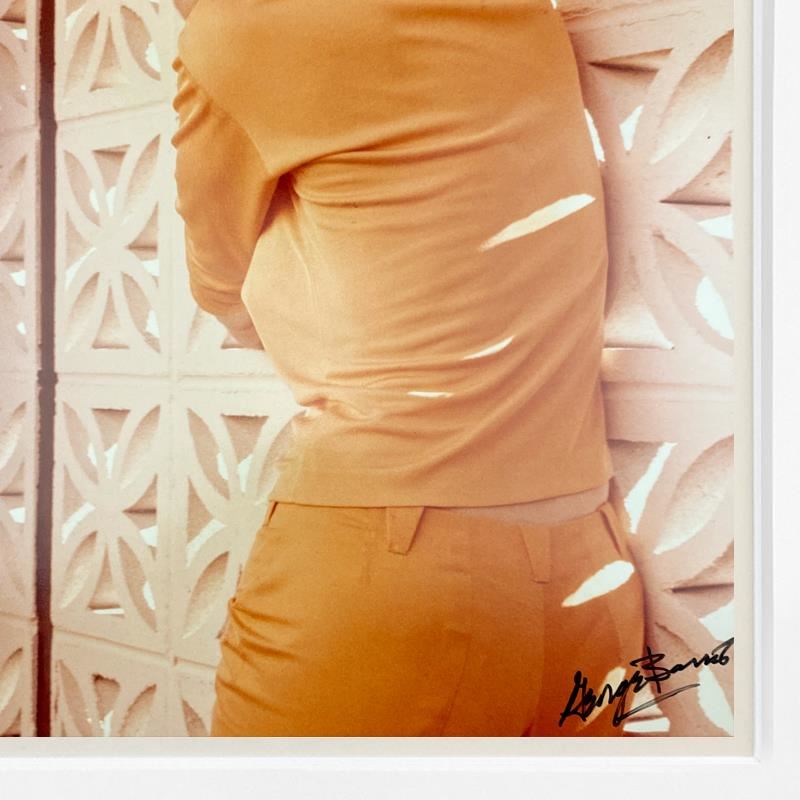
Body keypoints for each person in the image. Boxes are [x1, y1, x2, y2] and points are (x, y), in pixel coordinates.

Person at [170, 0, 646, 737]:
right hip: (589, 566)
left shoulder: (239, 28)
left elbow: (218, 284)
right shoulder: (525, 13)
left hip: (380, 567)